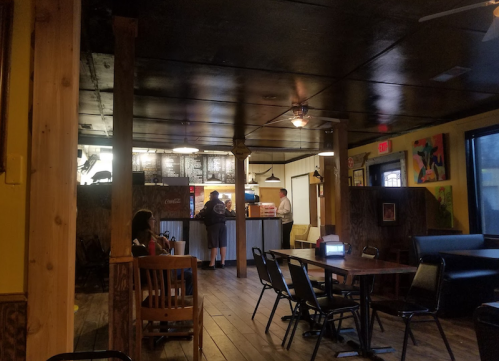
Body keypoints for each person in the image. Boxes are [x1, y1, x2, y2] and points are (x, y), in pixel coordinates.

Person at [131, 209, 193, 295]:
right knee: (189, 268)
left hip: (145, 273)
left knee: (188, 274)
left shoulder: (137, 235)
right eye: (152, 219)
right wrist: (171, 257)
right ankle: (186, 301)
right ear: (146, 222)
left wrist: (161, 237)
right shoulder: (148, 236)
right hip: (159, 273)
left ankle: (174, 299)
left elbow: (154, 239)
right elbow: (160, 254)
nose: (154, 221)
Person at [199, 190, 227, 270]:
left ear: (212, 196)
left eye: (210, 196)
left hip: (213, 225)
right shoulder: (222, 203)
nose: (210, 197)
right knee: (223, 244)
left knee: (214, 244)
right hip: (223, 225)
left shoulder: (209, 203)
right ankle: (222, 263)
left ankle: (212, 264)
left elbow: (203, 212)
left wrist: (198, 216)